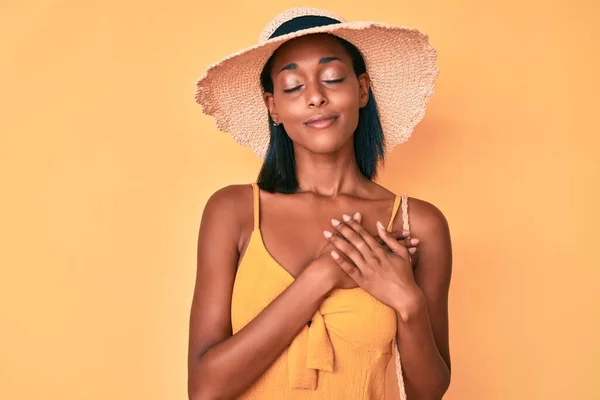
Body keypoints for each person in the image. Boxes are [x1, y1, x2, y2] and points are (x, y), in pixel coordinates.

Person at [188, 7, 452, 400]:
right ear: (273, 107)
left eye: (332, 78)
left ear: (362, 90)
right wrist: (323, 275)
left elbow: (427, 392)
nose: (315, 97)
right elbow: (205, 389)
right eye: (293, 86)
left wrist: (407, 301)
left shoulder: (418, 224)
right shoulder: (234, 212)